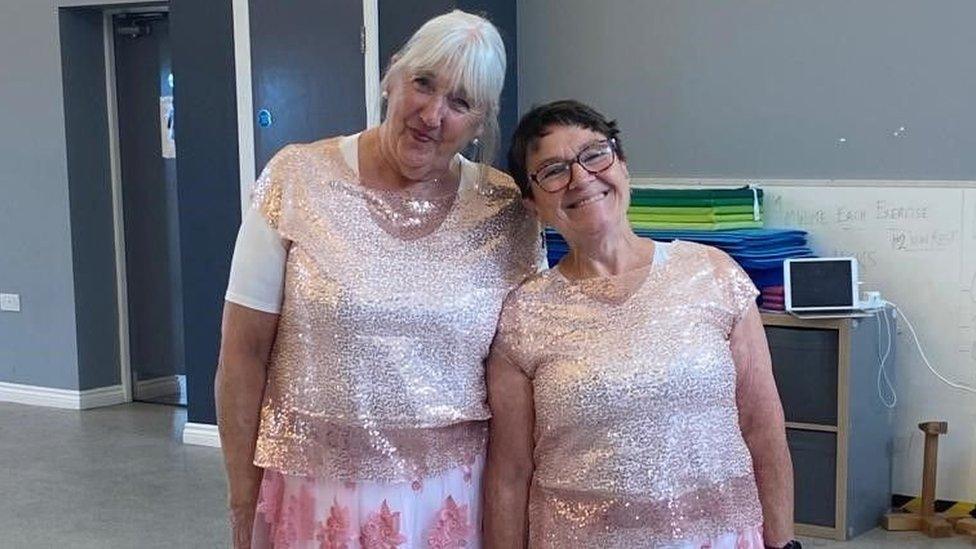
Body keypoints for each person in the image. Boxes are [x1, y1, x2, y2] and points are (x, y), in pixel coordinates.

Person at [216, 10, 542, 548]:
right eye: (423, 83)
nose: (432, 114)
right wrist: (241, 497)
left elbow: (525, 369)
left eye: (460, 102)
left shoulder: (505, 207)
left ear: (480, 123)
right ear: (392, 76)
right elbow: (241, 355)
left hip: (451, 496)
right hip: (314, 489)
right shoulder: (295, 178)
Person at [483, 100, 797, 548]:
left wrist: (782, 541)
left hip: (720, 534)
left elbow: (763, 428)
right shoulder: (522, 314)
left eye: (594, 154)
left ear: (623, 165)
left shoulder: (713, 274)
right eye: (553, 170)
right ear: (533, 205)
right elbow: (511, 475)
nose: (580, 177)